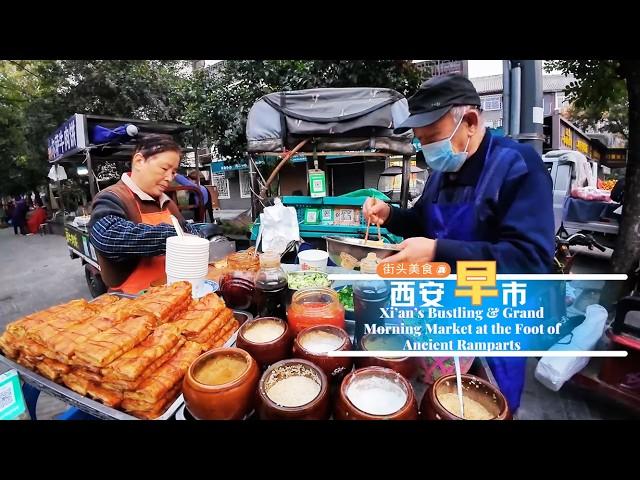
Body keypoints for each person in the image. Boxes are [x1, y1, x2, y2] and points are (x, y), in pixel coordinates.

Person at [363, 74, 555, 412]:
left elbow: (530, 260)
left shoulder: (517, 166)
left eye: (432, 137)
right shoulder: (442, 172)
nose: (426, 150)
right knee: (438, 401)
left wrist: (439, 251)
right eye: (420, 140)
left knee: (487, 405)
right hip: (442, 317)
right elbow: (422, 222)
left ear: (469, 121)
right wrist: (389, 215)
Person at [88, 134, 203, 295]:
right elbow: (108, 236)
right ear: (139, 161)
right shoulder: (112, 197)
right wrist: (175, 237)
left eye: (174, 172)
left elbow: (186, 228)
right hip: (131, 300)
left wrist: (200, 231)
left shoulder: (167, 202)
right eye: (164, 169)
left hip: (174, 293)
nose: (169, 178)